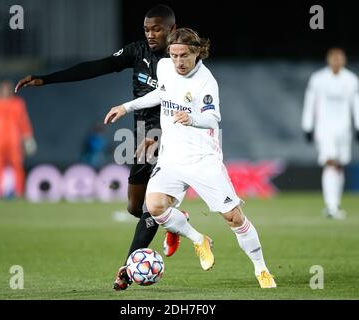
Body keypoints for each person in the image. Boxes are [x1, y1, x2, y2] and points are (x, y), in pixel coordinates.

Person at [14, 4, 188, 291]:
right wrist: (46, 79)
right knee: (135, 207)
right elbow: (98, 66)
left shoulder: (181, 57)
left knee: (151, 208)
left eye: (157, 28)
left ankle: (127, 269)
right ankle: (174, 221)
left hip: (172, 134)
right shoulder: (137, 52)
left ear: (171, 27)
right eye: (147, 29)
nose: (151, 34)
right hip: (144, 132)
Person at [104, 28, 276, 288]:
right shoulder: (163, 67)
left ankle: (261, 269)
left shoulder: (206, 81)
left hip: (202, 158)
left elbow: (213, 118)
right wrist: (126, 106)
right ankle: (199, 239)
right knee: (155, 207)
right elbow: (161, 94)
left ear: (196, 52)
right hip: (171, 156)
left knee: (233, 217)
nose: (178, 62)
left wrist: (192, 118)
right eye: (174, 55)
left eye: (184, 55)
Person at [302, 48, 359, 219]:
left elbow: (357, 102)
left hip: (344, 129)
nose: (337, 60)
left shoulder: (352, 79)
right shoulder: (318, 79)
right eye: (333, 57)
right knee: (330, 162)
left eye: (340, 58)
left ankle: (335, 204)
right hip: (324, 128)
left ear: (344, 60)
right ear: (328, 59)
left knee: (339, 165)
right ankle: (330, 206)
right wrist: (307, 125)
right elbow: (310, 102)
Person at [0, 80, 37, 200]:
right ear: (0, 90)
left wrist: (28, 138)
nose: (6, 91)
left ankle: (19, 193)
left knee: (17, 166)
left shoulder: (18, 104)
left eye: (8, 89)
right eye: (4, 89)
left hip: (14, 141)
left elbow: (24, 122)